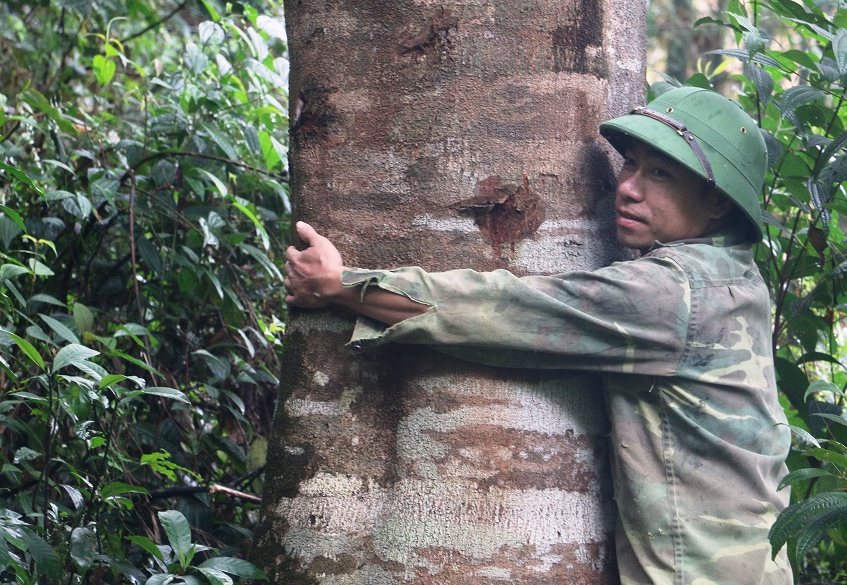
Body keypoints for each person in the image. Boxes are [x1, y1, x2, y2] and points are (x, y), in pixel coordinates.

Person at [284, 86, 794, 584]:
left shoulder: (672, 293)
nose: (629, 187)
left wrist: (341, 286)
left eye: (660, 173)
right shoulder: (739, 280)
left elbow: (502, 311)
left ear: (717, 204)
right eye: (630, 164)